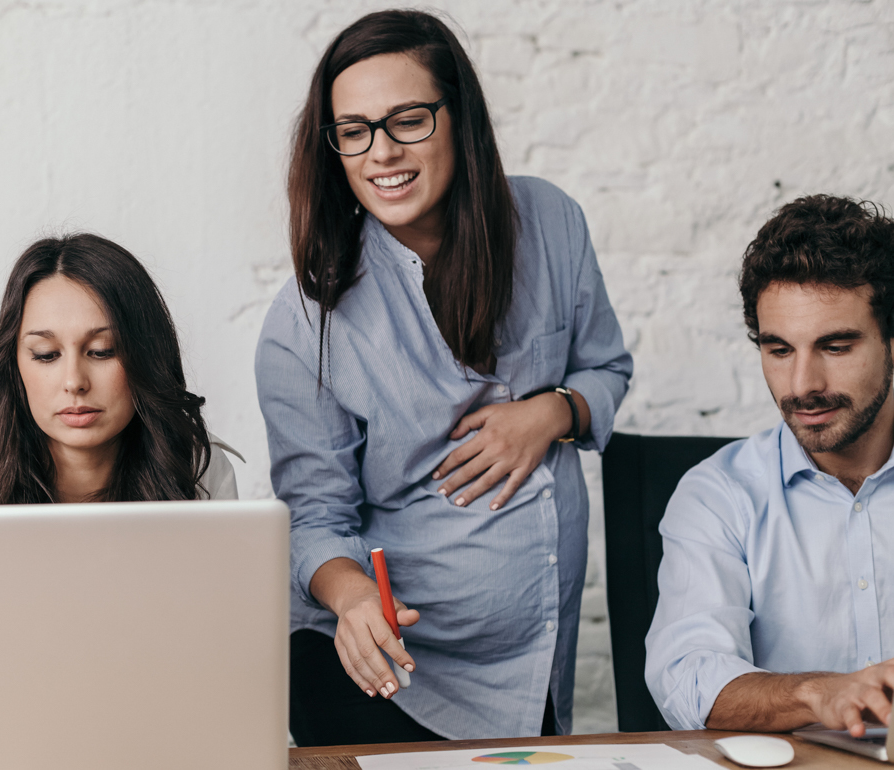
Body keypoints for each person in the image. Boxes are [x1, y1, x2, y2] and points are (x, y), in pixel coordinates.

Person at [255, 10, 632, 745]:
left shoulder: (551, 223)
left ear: (460, 119)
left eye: (408, 120)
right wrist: (354, 592)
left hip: (532, 666)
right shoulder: (306, 322)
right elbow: (313, 517)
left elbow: (607, 368)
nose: (381, 152)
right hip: (381, 673)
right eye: (354, 130)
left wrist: (552, 412)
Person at [645, 194, 894, 735]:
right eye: (779, 350)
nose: (803, 384)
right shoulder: (719, 493)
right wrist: (821, 694)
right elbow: (688, 678)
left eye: (836, 346)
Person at [0, 233, 240, 507]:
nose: (74, 382)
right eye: (45, 355)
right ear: (14, 364)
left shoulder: (198, 468)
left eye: (103, 352)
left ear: (147, 357)